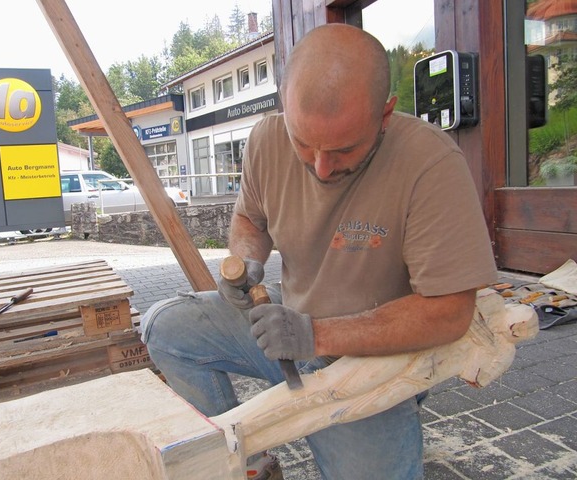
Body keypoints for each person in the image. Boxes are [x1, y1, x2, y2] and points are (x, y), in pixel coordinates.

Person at [141, 23, 497, 480]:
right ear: (283, 108)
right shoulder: (266, 140)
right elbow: (250, 219)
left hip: (369, 360)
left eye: (344, 149)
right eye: (303, 144)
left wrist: (317, 335)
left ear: (385, 115)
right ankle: (242, 465)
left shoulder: (430, 164)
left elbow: (450, 312)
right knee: (165, 326)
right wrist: (248, 260)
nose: (321, 167)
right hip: (284, 324)